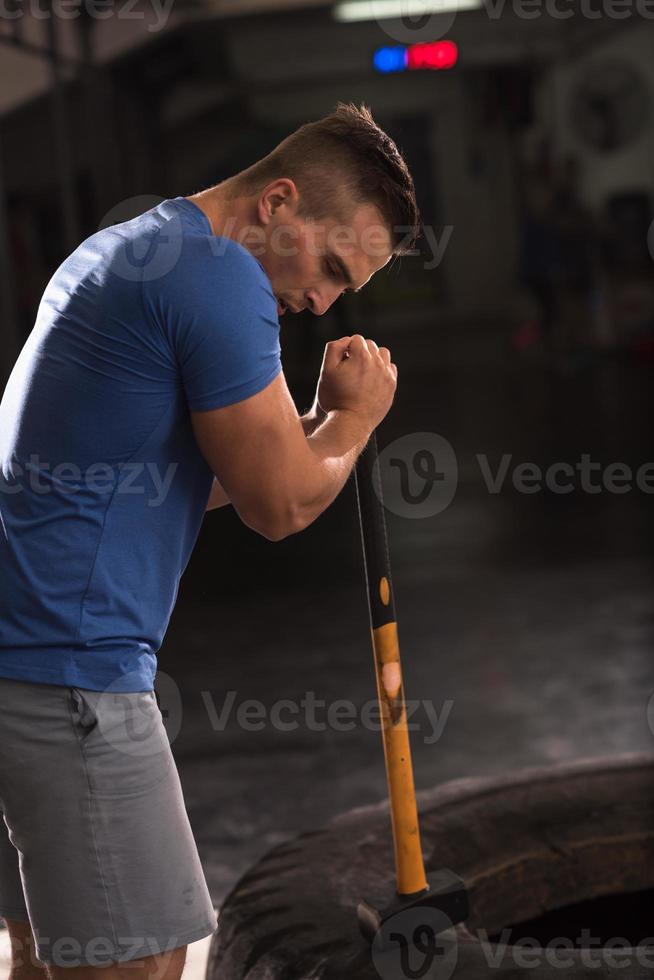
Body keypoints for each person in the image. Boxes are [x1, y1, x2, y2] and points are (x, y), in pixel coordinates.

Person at [0, 103, 419, 980]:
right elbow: (280, 506)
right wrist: (351, 418)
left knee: (47, 958)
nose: (321, 300)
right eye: (331, 268)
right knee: (142, 962)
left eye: (347, 290)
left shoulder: (128, 245)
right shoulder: (217, 276)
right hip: (67, 673)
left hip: (24, 662)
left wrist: (304, 427)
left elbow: (189, 470)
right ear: (276, 201)